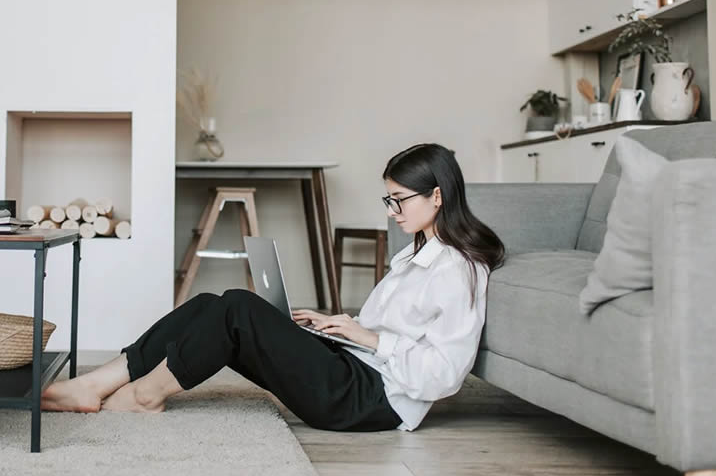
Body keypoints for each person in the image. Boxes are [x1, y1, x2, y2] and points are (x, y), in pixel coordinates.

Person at [41, 143, 505, 432]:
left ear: (437, 196)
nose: (391, 211)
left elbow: (444, 375)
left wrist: (367, 337)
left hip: (372, 401)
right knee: (211, 303)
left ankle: (144, 396)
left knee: (238, 308)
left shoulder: (459, 270)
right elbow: (390, 333)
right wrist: (340, 325)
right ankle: (98, 382)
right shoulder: (414, 255)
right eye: (389, 199)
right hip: (354, 370)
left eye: (399, 199)